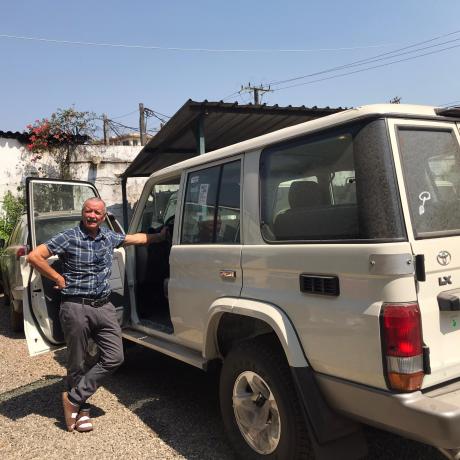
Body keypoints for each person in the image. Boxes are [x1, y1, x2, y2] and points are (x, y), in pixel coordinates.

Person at [27, 197, 167, 433]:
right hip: (75, 306)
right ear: (83, 213)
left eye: (97, 213)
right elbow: (34, 256)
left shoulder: (109, 237)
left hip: (104, 306)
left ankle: (72, 398)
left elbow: (135, 238)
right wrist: (58, 278)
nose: (92, 216)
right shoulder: (69, 236)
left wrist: (160, 236)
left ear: (104, 217)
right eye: (88, 211)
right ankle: (81, 409)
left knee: (115, 357)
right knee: (77, 361)